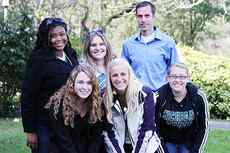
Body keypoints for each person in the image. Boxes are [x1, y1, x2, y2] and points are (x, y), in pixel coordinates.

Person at [20, 17, 79, 153]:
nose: (58, 39)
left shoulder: (71, 54)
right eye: (52, 36)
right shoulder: (38, 60)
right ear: (45, 38)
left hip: (68, 121)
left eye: (62, 34)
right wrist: (30, 131)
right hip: (45, 124)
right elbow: (28, 95)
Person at [45, 63, 115, 153]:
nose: (84, 87)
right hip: (63, 148)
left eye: (89, 83)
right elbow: (63, 140)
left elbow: (97, 137)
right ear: (72, 83)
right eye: (80, 82)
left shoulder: (97, 104)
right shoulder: (58, 105)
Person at [103, 58, 164, 153]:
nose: (119, 79)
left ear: (129, 75)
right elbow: (109, 132)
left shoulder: (145, 94)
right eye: (115, 75)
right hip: (118, 148)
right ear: (109, 78)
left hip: (146, 147)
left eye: (123, 74)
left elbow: (147, 129)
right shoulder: (105, 98)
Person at [121, 1, 179, 91]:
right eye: (140, 16)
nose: (143, 20)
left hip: (161, 97)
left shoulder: (168, 43)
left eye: (147, 16)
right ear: (136, 18)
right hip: (135, 96)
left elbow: (176, 71)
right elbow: (123, 73)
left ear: (153, 17)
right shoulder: (128, 45)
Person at [155, 63, 209, 153]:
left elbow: (204, 127)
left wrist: (197, 151)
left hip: (189, 141)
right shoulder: (158, 96)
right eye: (173, 76)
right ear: (168, 78)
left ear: (188, 78)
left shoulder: (199, 96)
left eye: (182, 77)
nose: (177, 80)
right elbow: (154, 126)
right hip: (166, 141)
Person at [82, 29, 113, 95]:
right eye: (93, 45)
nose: (98, 48)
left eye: (101, 44)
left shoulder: (114, 66)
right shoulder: (84, 71)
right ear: (88, 48)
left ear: (107, 46)